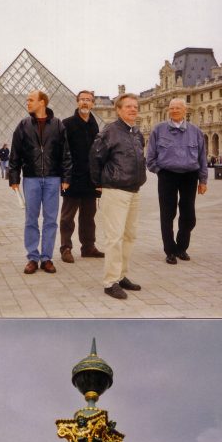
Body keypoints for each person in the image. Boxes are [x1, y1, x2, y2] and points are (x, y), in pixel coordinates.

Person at [89, 92, 146, 299]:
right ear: (118, 110)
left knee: (129, 236)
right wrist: (99, 184)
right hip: (115, 191)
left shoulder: (137, 133)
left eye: (135, 106)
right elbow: (95, 157)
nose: (133, 109)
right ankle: (110, 281)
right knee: (114, 238)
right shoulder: (110, 131)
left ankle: (121, 275)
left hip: (134, 191)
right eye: (128, 106)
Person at [9, 89, 72, 275]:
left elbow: (66, 154)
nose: (27, 102)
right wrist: (14, 178)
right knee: (31, 219)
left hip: (53, 178)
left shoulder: (58, 125)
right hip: (31, 178)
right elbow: (15, 154)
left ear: (42, 102)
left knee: (50, 220)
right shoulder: (23, 125)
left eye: (31, 99)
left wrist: (66, 177)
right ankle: (32, 257)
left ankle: (46, 258)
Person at [146, 98, 208, 264]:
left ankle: (181, 247)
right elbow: (150, 157)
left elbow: (202, 158)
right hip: (167, 175)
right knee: (167, 214)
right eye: (171, 108)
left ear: (185, 110)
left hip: (190, 175)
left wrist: (203, 180)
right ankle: (170, 250)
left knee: (189, 216)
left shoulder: (195, 131)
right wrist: (159, 171)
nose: (174, 111)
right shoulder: (158, 130)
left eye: (177, 108)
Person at [59, 90, 104, 262]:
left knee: (89, 217)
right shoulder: (67, 123)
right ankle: (66, 248)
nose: (85, 102)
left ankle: (88, 247)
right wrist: (65, 177)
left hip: (90, 179)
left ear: (93, 103)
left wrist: (99, 179)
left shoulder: (94, 125)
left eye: (88, 100)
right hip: (72, 178)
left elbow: (98, 154)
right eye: (82, 99)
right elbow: (62, 152)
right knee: (67, 217)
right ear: (77, 102)